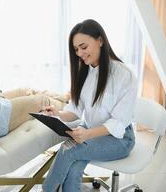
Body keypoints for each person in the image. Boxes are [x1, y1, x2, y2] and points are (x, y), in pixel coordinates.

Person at [42, 19, 137, 192]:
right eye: (76, 49)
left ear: (100, 40)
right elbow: (76, 110)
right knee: (74, 167)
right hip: (90, 131)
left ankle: (47, 189)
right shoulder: (85, 72)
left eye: (83, 47)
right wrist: (58, 113)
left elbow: (118, 122)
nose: (80, 53)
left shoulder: (125, 75)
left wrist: (88, 134)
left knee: (68, 151)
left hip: (119, 138)